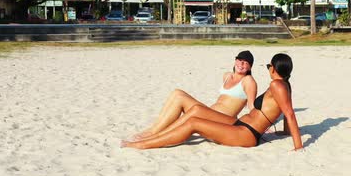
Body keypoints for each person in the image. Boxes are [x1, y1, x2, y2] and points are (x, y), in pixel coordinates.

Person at [122, 53, 303, 150]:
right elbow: (287, 111)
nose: (268, 68)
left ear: (274, 69)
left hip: (247, 134)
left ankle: (143, 144)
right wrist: (285, 132)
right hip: (239, 124)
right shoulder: (284, 85)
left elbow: (289, 113)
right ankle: (154, 135)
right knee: (194, 112)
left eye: (269, 65)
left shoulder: (278, 85)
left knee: (193, 123)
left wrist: (298, 146)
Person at [132, 50, 258, 140]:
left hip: (223, 120)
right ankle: (154, 128)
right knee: (177, 93)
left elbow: (251, 106)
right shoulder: (226, 76)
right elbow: (225, 100)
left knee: (181, 98)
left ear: (250, 67)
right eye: (239, 61)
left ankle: (155, 133)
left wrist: (257, 123)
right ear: (235, 61)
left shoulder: (248, 81)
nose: (241, 65)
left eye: (245, 63)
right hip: (210, 113)